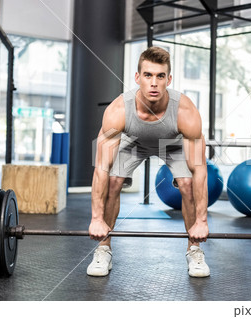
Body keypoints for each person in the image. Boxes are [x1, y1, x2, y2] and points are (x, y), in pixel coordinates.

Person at [87, 46, 210, 278]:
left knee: (186, 184)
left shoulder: (185, 111)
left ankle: (194, 250)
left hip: (171, 143)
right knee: (113, 181)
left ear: (168, 79)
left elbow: (200, 171)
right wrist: (96, 219)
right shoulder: (118, 110)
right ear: (137, 77)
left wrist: (202, 221)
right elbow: (101, 169)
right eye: (148, 75)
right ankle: (103, 248)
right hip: (133, 141)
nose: (154, 83)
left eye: (160, 76)